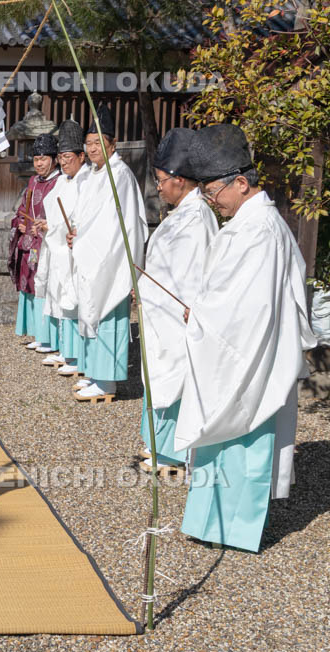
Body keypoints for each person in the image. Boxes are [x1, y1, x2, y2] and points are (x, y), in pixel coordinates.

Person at [175, 124, 315, 552]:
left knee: (245, 429)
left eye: (212, 191)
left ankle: (234, 527)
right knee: (225, 433)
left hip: (249, 352)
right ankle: (209, 520)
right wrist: (202, 310)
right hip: (229, 341)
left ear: (240, 183)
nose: (210, 200)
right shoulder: (246, 224)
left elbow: (250, 310)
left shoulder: (260, 231)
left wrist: (201, 314)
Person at [136, 128, 218, 473]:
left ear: (180, 180)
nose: (159, 187)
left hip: (174, 314)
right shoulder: (183, 213)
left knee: (173, 375)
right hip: (160, 310)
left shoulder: (197, 218)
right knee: (159, 372)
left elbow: (189, 273)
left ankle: (172, 451)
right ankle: (158, 444)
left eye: (161, 180)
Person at [68, 103, 147, 402]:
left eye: (98, 143)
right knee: (90, 312)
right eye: (88, 144)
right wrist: (77, 233)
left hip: (109, 258)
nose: (92, 149)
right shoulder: (95, 174)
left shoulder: (120, 175)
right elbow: (87, 217)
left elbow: (119, 224)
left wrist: (89, 241)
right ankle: (94, 373)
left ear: (112, 144)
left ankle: (108, 382)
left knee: (107, 314)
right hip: (92, 252)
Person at [39, 119, 90, 377]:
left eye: (68, 156)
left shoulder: (86, 180)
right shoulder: (64, 180)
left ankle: (78, 355)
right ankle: (65, 349)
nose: (64, 162)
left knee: (74, 299)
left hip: (74, 249)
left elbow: (84, 217)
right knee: (60, 297)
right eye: (60, 157)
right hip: (60, 247)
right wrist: (50, 225)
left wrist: (70, 232)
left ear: (81, 156)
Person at [10, 133, 60, 351]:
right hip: (29, 242)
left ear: (54, 159)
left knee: (45, 287)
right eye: (36, 159)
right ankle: (36, 333)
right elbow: (22, 208)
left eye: (44, 158)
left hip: (47, 243)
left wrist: (47, 225)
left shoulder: (59, 182)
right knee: (28, 286)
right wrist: (20, 223)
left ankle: (48, 336)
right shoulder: (33, 181)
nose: (39, 163)